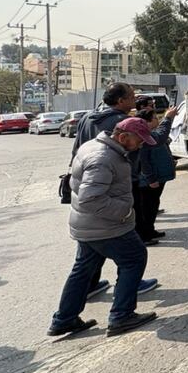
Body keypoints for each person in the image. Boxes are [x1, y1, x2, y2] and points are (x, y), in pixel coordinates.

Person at [48, 118, 161, 337]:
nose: (141, 145)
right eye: (139, 140)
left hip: (88, 226)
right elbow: (90, 199)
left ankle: (64, 318)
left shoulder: (94, 147)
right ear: (122, 137)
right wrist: (125, 212)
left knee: (83, 270)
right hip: (106, 226)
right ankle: (121, 315)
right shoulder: (104, 157)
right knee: (134, 258)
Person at [70, 83, 158, 297]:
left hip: (84, 184)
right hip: (115, 187)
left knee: (88, 247)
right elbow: (134, 156)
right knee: (127, 241)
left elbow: (76, 149)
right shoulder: (122, 124)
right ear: (121, 101)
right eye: (131, 97)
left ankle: (89, 285)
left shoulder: (88, 118)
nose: (134, 101)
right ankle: (129, 285)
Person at [135, 108, 175, 242]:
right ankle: (145, 235)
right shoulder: (144, 137)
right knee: (147, 207)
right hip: (149, 180)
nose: (157, 120)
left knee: (152, 205)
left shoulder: (149, 133)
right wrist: (150, 178)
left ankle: (150, 231)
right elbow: (144, 161)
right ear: (148, 121)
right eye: (155, 118)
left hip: (155, 177)